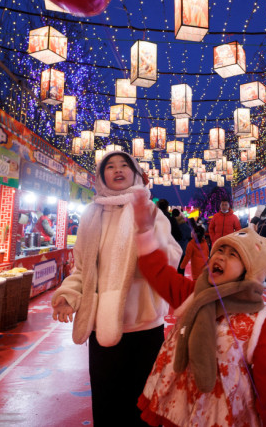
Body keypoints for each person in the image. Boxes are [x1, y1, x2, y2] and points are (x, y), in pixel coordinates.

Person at [132, 190, 266, 427]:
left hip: (223, 412)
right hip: (179, 403)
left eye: (233, 255)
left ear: (248, 273)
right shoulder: (193, 295)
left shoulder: (254, 319)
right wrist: (144, 231)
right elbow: (158, 272)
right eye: (220, 250)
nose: (221, 256)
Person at [50, 151, 182, 426]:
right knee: (107, 401)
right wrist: (68, 295)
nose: (118, 170)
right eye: (110, 166)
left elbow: (171, 257)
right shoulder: (91, 215)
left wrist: (147, 233)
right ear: (101, 177)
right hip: (102, 326)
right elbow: (83, 270)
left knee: (145, 404)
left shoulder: (150, 211)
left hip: (145, 325)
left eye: (125, 165)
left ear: (136, 174)